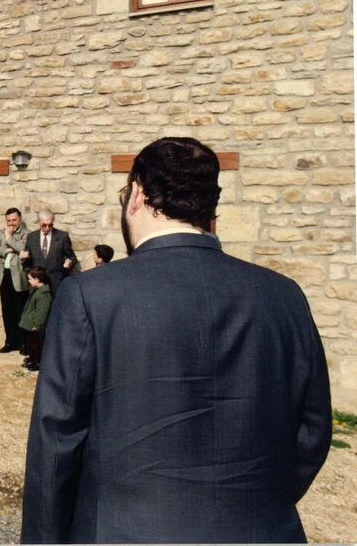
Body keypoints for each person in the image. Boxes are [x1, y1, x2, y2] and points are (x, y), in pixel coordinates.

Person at [21, 137, 332, 544]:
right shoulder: (283, 294)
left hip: (124, 533)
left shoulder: (88, 295)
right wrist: (259, 506)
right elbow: (312, 430)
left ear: (136, 195)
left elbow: (57, 439)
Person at [0, 207, 29, 354]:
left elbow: (22, 247)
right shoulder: (1, 232)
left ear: (20, 219)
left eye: (14, 220)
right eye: (9, 221)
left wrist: (8, 239)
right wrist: (7, 250)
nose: (11, 223)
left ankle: (23, 343)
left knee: (20, 311)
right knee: (7, 311)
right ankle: (10, 342)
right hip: (4, 276)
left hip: (18, 277)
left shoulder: (27, 234)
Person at [20, 209, 76, 298]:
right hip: (38, 284)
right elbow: (27, 261)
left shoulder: (62, 236)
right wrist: (29, 271)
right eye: (44, 225)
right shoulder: (31, 237)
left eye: (50, 225)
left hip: (56, 283)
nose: (47, 228)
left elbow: (72, 257)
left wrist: (69, 262)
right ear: (38, 222)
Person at [18, 267, 51, 373]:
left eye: (30, 279)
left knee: (36, 345)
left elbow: (42, 312)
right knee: (31, 343)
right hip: (29, 323)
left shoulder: (44, 294)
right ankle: (32, 359)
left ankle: (37, 362)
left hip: (34, 325)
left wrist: (37, 324)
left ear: (37, 279)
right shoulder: (37, 291)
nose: (29, 281)